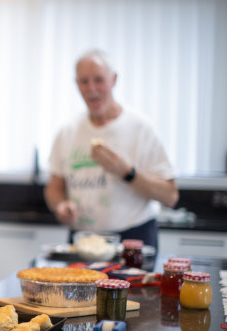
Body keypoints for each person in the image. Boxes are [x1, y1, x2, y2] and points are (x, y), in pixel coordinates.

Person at [44, 49, 179, 251]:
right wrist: (60, 205)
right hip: (82, 242)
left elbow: (170, 196)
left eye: (99, 80)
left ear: (113, 80)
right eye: (84, 81)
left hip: (132, 239)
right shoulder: (68, 132)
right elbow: (55, 186)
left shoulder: (141, 129)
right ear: (76, 84)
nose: (91, 88)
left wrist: (126, 172)